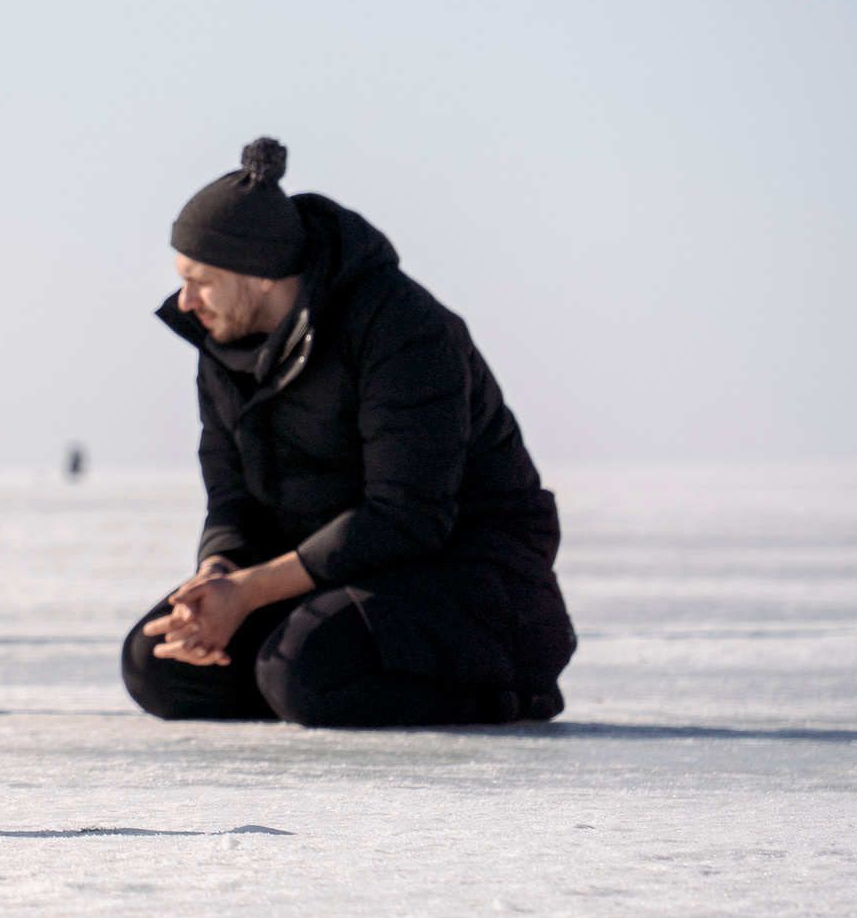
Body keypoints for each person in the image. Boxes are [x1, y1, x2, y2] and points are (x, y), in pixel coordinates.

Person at [122, 139, 577, 727]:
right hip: (332, 569)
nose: (185, 301)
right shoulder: (221, 343)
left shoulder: (403, 328)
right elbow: (232, 497)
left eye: (201, 280)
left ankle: (511, 692)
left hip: (467, 572)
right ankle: (301, 685)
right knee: (158, 666)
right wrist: (217, 577)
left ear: (262, 276)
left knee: (304, 672)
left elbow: (408, 516)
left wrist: (252, 592)